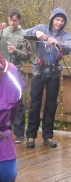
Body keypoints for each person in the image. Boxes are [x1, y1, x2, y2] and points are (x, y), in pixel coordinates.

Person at [24, 8, 71, 148]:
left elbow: (68, 48)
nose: (59, 22)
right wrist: (37, 33)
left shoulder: (66, 35)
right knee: (34, 104)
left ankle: (47, 136)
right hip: (38, 70)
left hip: (54, 72)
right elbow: (25, 34)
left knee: (51, 105)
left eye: (62, 20)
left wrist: (57, 43)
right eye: (57, 19)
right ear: (52, 19)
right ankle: (31, 136)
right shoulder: (41, 27)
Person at [0, 8, 31, 144]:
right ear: (8, 19)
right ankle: (5, 129)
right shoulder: (3, 32)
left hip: (17, 71)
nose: (12, 23)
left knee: (17, 101)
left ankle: (19, 134)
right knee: (3, 101)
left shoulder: (24, 35)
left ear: (19, 20)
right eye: (11, 20)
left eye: (15, 20)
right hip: (3, 71)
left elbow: (28, 55)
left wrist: (16, 51)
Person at [0, 53, 24, 182]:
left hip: (3, 138)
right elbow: (16, 102)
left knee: (7, 174)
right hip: (4, 134)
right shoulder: (12, 70)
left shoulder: (11, 71)